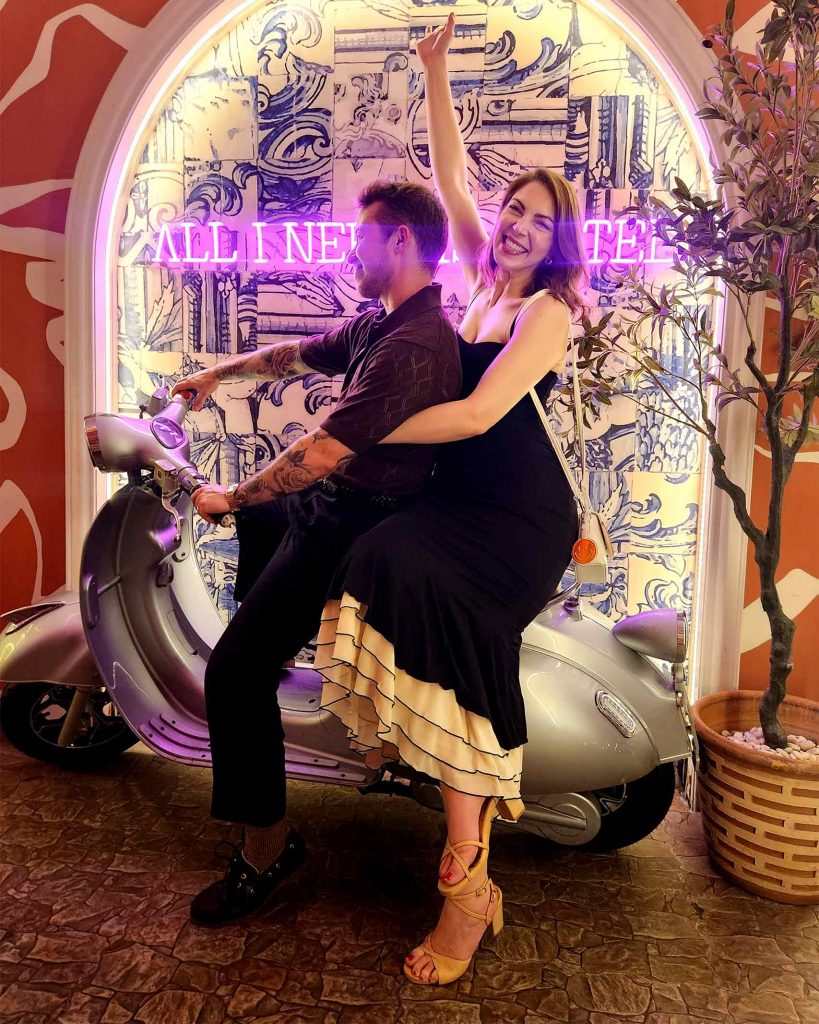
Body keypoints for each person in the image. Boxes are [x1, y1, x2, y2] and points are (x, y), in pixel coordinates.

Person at [312, 14, 588, 986]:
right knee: (375, 556)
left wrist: (365, 428)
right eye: (515, 208)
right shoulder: (476, 272)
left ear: (561, 242)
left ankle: (466, 891)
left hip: (516, 519)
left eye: (538, 220)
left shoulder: (547, 312)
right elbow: (453, 164)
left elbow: (475, 417)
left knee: (438, 624)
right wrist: (435, 68)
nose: (515, 223)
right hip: (458, 503)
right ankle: (465, 868)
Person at [170, 180, 462, 926]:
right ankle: (269, 659)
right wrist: (217, 374)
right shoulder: (380, 324)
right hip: (332, 506)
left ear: (399, 241)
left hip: (354, 526)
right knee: (264, 540)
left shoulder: (413, 347)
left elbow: (321, 451)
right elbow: (295, 355)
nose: (348, 247)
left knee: (233, 671)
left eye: (361, 236)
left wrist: (229, 497)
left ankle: (266, 850)